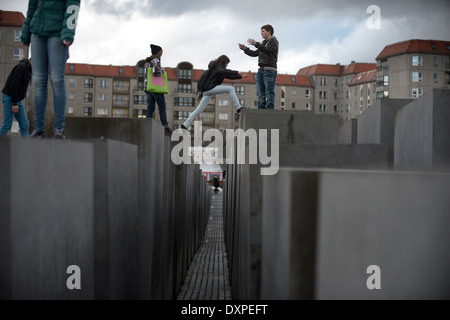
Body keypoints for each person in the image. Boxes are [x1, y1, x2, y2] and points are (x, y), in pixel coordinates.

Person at [21, 0, 81, 139]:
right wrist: (25, 33)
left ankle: (59, 128)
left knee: (57, 79)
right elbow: (31, 9)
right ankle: (39, 129)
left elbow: (72, 7)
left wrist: (68, 33)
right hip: (36, 33)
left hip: (57, 33)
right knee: (39, 81)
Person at [181, 55, 246, 130]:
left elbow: (228, 75)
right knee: (231, 89)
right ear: (223, 62)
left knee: (199, 110)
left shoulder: (218, 69)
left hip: (207, 92)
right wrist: (237, 72)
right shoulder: (217, 67)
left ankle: (185, 125)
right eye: (227, 63)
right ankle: (238, 107)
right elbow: (225, 71)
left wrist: (240, 77)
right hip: (210, 88)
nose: (227, 65)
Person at [239, 24, 279, 109]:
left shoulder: (274, 42)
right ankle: (261, 109)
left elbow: (267, 50)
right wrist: (244, 48)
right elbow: (255, 53)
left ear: (269, 32)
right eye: (261, 31)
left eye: (263, 31)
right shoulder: (263, 43)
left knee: (269, 91)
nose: (261, 33)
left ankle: (269, 109)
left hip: (269, 71)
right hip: (261, 70)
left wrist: (254, 43)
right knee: (260, 92)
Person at [144, 44, 172, 135]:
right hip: (156, 88)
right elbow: (156, 71)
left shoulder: (147, 62)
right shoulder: (156, 60)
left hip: (149, 88)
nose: (162, 53)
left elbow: (146, 76)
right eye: (161, 51)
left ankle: (147, 123)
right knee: (162, 108)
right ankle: (165, 125)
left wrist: (146, 88)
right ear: (158, 52)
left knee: (150, 108)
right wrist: (163, 70)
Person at [0, 59, 32, 137]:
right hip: (10, 97)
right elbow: (14, 85)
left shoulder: (29, 70)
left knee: (25, 125)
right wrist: (14, 103)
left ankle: (26, 148)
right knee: (7, 124)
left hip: (16, 99)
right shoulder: (21, 67)